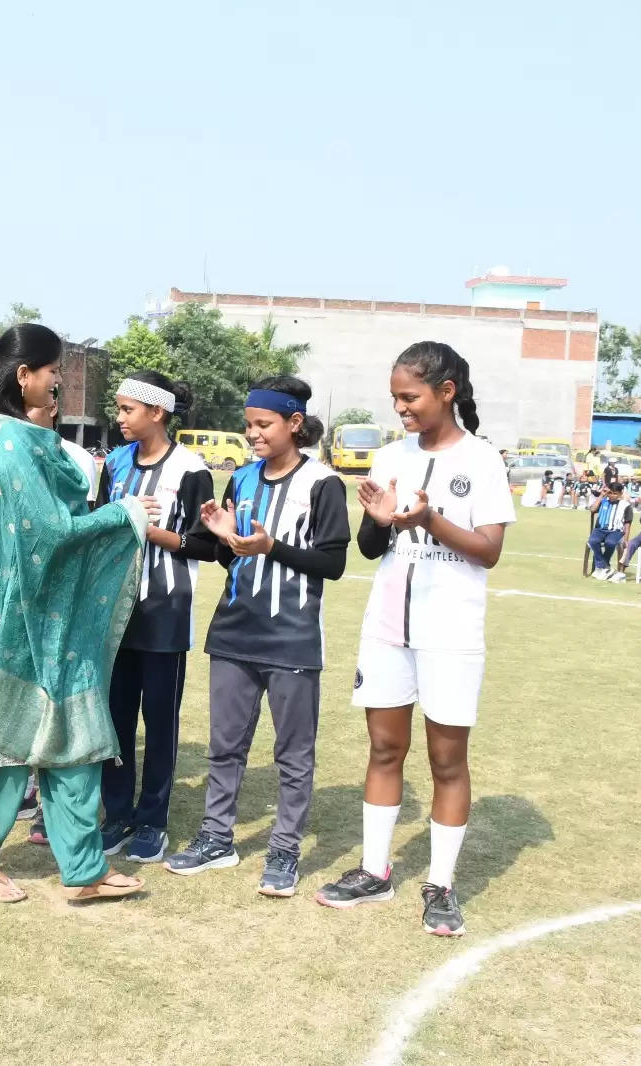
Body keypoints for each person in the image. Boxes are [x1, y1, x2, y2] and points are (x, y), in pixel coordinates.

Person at [0, 324, 158, 904]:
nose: (58, 381)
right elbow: (46, 532)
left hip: (52, 619)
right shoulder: (5, 440)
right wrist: (123, 516)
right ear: (24, 375)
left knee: (78, 735)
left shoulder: (9, 436)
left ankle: (85, 869)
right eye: (52, 372)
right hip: (9, 623)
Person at [316, 341, 514, 937]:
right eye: (395, 398)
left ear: (445, 392)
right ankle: (375, 871)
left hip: (450, 629)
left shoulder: (481, 460)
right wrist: (380, 522)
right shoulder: (391, 457)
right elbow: (372, 548)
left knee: (447, 759)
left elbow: (489, 551)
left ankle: (441, 884)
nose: (400, 408)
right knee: (383, 749)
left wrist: (429, 519)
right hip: (386, 626)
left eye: (410, 397)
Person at [165, 376, 350, 896]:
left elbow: (333, 563)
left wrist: (273, 548)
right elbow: (230, 555)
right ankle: (216, 838)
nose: (253, 434)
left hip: (292, 638)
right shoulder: (241, 479)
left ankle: (286, 850)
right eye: (249, 425)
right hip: (232, 632)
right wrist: (224, 536)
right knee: (225, 747)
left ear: (295, 423)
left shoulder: (323, 484)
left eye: (263, 424)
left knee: (292, 755)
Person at [89, 370, 215, 865]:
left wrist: (151, 531)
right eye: (118, 409)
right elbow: (101, 522)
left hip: (164, 610)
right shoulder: (115, 463)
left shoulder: (190, 470)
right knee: (115, 719)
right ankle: (116, 814)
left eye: (127, 409)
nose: (118, 418)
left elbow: (207, 544)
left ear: (156, 412)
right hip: (114, 611)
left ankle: (153, 820)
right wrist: (118, 519)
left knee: (159, 721)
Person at [587, 481, 632, 581]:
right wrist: (601, 496)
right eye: (610, 493)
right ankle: (604, 566)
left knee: (610, 543)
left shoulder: (625, 505)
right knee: (592, 541)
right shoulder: (603, 502)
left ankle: (602, 567)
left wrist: (626, 539)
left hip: (616, 531)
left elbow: (628, 523)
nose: (612, 495)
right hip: (600, 529)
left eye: (615, 493)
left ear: (620, 494)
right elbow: (592, 509)